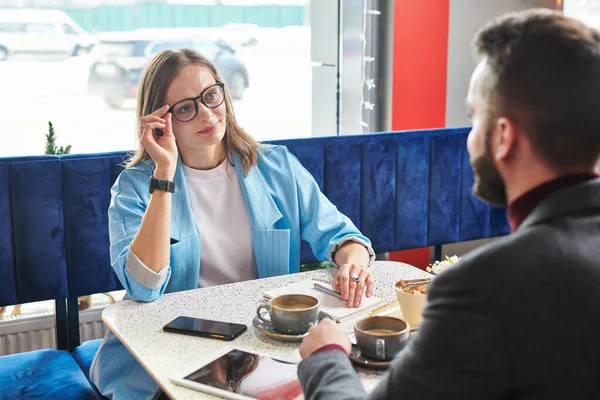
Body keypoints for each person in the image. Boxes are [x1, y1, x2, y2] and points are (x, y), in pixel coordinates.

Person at [297, 9, 600, 400]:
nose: (470, 139)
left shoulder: (483, 287)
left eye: (475, 118)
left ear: (504, 136)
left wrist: (325, 357)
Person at [89, 48, 375, 399]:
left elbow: (344, 237)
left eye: (210, 96)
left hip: (262, 349)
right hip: (166, 354)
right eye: (185, 108)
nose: (206, 114)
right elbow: (144, 286)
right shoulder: (134, 187)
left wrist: (353, 266)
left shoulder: (278, 166)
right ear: (160, 120)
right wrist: (164, 173)